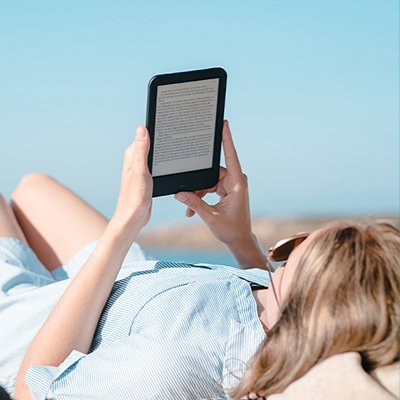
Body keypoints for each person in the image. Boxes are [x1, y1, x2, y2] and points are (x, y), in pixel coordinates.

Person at [0, 121, 397, 399]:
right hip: (136, 288)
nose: (281, 256)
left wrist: (124, 225)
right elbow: (269, 307)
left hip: (31, 318)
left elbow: (31, 391)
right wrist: (240, 239)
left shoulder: (176, 361)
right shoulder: (277, 313)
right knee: (35, 188)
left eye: (291, 252)